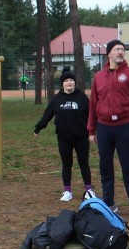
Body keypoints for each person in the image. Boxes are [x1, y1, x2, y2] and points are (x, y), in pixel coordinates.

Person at [88, 39, 129, 218]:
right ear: (109, 54)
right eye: (116, 49)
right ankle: (109, 203)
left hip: (123, 126)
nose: (120, 52)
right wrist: (91, 130)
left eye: (122, 49)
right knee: (105, 166)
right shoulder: (98, 77)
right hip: (104, 127)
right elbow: (93, 104)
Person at [34, 68, 94, 202]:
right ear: (62, 84)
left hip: (81, 137)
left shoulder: (82, 97)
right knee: (66, 164)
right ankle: (67, 191)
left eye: (71, 80)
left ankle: (89, 190)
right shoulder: (57, 99)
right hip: (64, 138)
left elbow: (92, 115)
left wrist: (94, 130)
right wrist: (39, 127)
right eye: (66, 81)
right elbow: (47, 114)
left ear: (74, 83)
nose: (69, 83)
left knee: (83, 162)